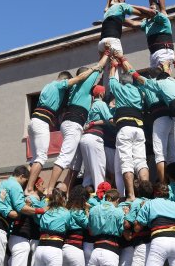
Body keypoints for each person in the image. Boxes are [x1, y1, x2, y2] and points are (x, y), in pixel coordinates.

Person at [26, 67, 104, 195]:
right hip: (44, 122)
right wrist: (99, 64)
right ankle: (43, 189)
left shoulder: (47, 86)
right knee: (45, 158)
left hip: (35, 121)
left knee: (36, 159)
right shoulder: (59, 85)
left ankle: (29, 186)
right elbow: (79, 78)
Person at [47, 58, 107, 193]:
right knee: (65, 157)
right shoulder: (83, 84)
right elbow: (99, 67)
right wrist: (106, 54)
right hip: (73, 124)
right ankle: (49, 189)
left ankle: (67, 192)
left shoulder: (74, 88)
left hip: (71, 124)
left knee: (76, 162)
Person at [132, 60, 175, 179]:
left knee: (160, 154)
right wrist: (167, 66)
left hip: (162, 118)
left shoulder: (153, 84)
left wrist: (125, 64)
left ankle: (163, 184)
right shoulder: (174, 83)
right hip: (174, 118)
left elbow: (138, 82)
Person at [109, 55, 149, 200]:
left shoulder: (118, 88)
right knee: (141, 161)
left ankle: (131, 195)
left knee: (127, 163)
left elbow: (111, 79)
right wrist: (124, 63)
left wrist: (113, 66)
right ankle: (146, 194)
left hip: (125, 128)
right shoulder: (139, 91)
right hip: (139, 129)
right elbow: (134, 74)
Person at [32, 188, 69, 266]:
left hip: (40, 248)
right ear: (63, 198)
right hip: (54, 248)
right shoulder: (65, 212)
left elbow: (36, 220)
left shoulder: (45, 211)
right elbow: (69, 225)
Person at [79, 86, 113, 191]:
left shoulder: (91, 105)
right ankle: (101, 198)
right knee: (99, 169)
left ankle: (84, 197)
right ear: (101, 94)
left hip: (84, 139)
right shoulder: (101, 104)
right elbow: (110, 120)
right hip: (94, 138)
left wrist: (94, 122)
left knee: (88, 173)